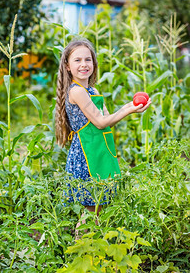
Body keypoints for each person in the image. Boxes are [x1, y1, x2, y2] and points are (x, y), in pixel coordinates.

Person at [55, 38, 151, 235]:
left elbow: (106, 117)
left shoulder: (92, 90)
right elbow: (99, 123)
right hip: (87, 155)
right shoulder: (77, 91)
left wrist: (128, 107)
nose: (84, 64)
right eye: (77, 60)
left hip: (98, 150)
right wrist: (130, 111)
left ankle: (92, 248)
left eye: (88, 59)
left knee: (100, 206)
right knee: (92, 207)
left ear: (94, 63)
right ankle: (79, 249)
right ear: (67, 66)